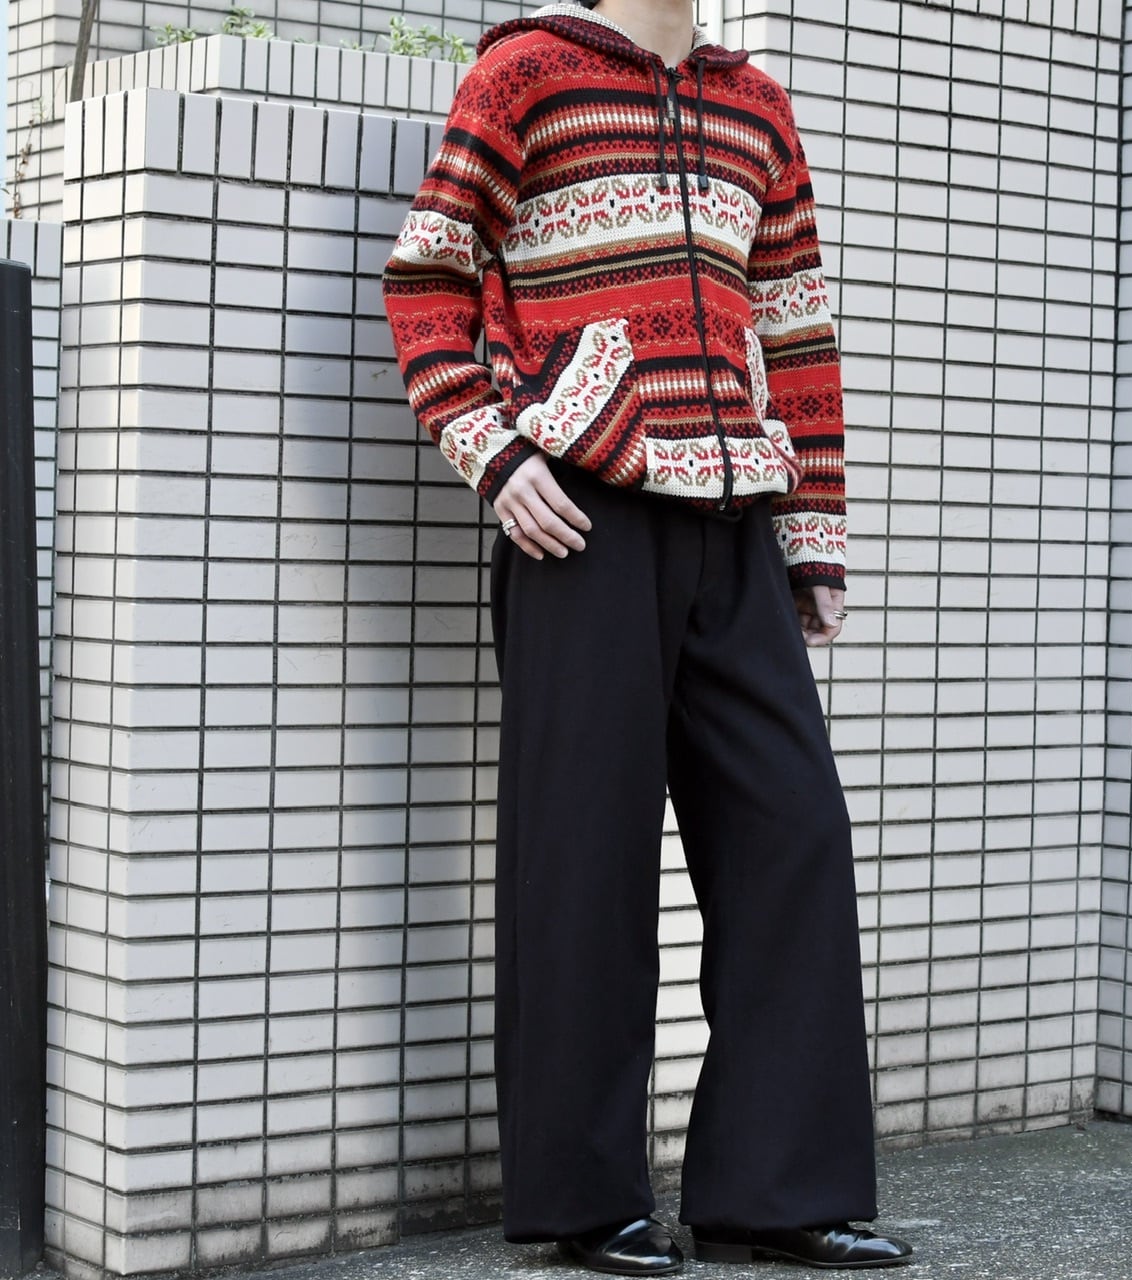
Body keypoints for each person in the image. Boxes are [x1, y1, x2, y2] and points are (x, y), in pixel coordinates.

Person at [382, 1, 913, 1273]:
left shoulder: (756, 106)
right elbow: (427, 276)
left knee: (793, 834)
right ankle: (584, 1201)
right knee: (583, 856)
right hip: (584, 518)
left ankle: (772, 1192)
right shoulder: (527, 76)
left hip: (734, 520)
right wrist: (493, 453)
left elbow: (794, 328)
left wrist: (811, 535)